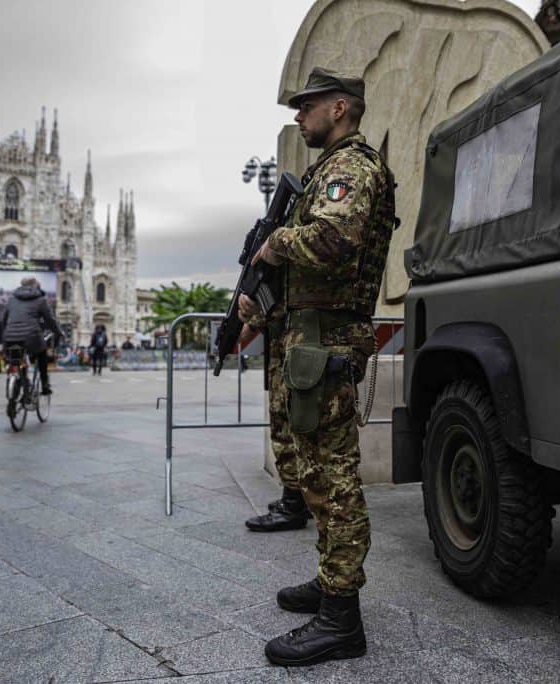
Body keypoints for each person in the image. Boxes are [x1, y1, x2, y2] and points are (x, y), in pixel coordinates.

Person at [238, 66, 396, 666]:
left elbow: (334, 240)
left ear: (340, 108)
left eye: (307, 106)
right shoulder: (325, 170)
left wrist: (277, 243)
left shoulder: (352, 167)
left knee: (333, 478)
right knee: (311, 472)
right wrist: (262, 301)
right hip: (307, 336)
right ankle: (330, 585)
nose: (298, 116)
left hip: (327, 342)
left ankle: (341, 620)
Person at [2, 277, 63, 395]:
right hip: (31, 337)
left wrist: (6, 335)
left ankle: (21, 380)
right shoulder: (40, 300)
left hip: (10, 337)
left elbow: (4, 320)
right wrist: (58, 332)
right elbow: (50, 320)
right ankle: (45, 385)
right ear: (36, 286)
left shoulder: (11, 299)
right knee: (41, 354)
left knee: (17, 359)